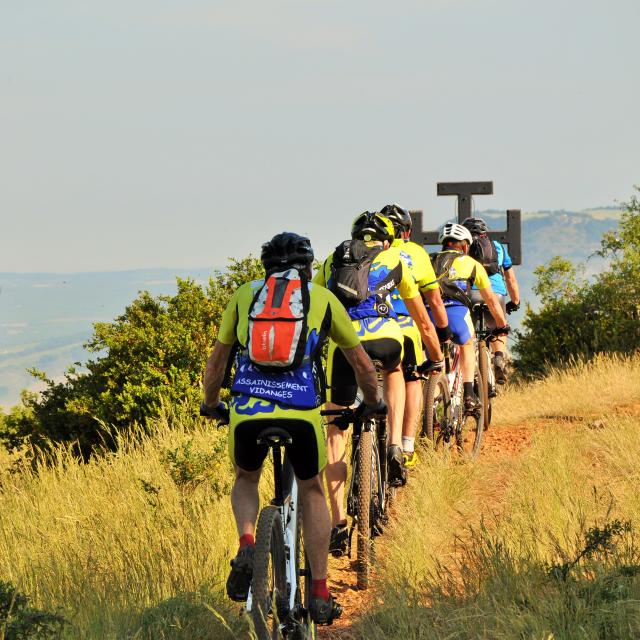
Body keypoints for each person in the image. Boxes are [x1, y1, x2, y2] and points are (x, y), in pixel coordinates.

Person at [201, 232, 383, 625]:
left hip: (248, 411)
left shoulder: (244, 295)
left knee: (247, 478)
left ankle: (248, 541)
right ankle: (319, 590)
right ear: (308, 266)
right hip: (301, 414)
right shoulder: (321, 299)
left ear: (265, 267)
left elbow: (216, 365)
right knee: (314, 488)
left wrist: (212, 403)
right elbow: (363, 366)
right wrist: (372, 402)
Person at [314, 211, 443, 555]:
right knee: (396, 371)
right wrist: (436, 357)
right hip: (387, 340)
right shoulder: (395, 258)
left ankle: (339, 521)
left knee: (335, 427)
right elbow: (423, 320)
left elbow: (315, 309)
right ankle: (396, 445)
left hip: (345, 348)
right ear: (386, 238)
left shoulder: (331, 261)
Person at [380, 203, 451, 468]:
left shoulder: (369, 252)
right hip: (405, 327)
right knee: (412, 379)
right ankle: (407, 445)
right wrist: (442, 334)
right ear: (407, 232)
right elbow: (434, 300)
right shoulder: (415, 253)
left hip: (367, 327)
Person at [430, 223, 510, 414]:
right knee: (467, 343)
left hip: (430, 314)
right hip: (456, 313)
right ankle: (468, 393)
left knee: (432, 357)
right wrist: (502, 325)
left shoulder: (428, 260)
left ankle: (430, 399)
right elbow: (491, 300)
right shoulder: (472, 264)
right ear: (466, 246)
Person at [461, 217, 521, 384]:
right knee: (499, 328)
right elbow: (511, 279)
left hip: (469, 295)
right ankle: (499, 358)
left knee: (469, 337)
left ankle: (469, 372)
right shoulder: (498, 248)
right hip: (496, 295)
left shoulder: (461, 248)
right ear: (484, 232)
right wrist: (515, 301)